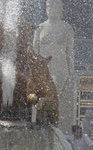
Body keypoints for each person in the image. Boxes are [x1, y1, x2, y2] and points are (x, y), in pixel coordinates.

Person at [33, 0, 76, 132]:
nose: (50, 8)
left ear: (60, 8)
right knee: (40, 97)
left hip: (60, 69)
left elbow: (70, 52)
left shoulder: (67, 28)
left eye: (53, 5)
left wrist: (72, 71)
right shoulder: (39, 28)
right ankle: (43, 128)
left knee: (52, 95)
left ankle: (54, 128)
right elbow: (34, 53)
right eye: (48, 6)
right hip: (43, 70)